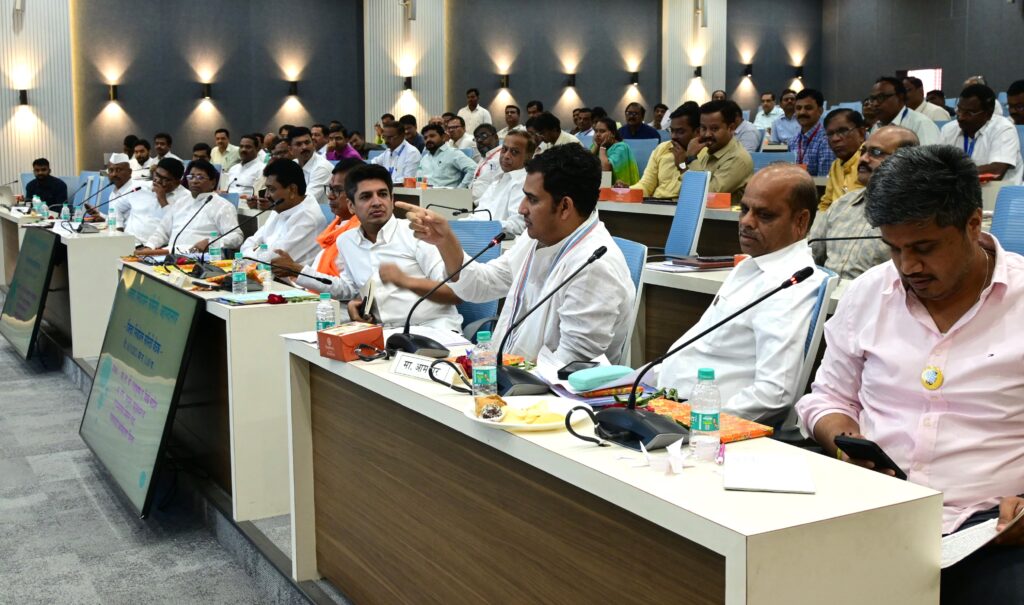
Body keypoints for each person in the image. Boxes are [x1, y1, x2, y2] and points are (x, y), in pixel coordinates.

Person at [795, 145, 1024, 605]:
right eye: (894, 248)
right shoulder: (868, 293)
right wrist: (844, 441)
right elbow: (827, 399)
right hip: (871, 503)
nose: (907, 267)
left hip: (991, 526)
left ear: (973, 225)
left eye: (924, 248)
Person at [398, 144, 636, 365]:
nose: (521, 208)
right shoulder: (537, 237)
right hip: (507, 374)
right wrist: (445, 241)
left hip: (542, 391)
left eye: (532, 199)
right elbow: (482, 285)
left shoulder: (595, 266)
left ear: (565, 207)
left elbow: (567, 368)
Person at [658, 163, 824, 426]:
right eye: (744, 209)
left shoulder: (789, 285)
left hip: (699, 423)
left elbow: (774, 394)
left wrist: (697, 422)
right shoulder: (752, 264)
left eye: (764, 215)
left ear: (800, 221)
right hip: (666, 402)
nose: (746, 222)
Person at [326, 164, 463, 331]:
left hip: (433, 328)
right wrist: (355, 304)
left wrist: (405, 281)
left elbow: (455, 293)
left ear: (391, 200)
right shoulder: (346, 241)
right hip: (383, 332)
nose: (376, 202)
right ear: (351, 206)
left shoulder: (418, 233)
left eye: (382, 194)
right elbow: (352, 287)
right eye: (366, 197)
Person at [809, 126, 918, 280]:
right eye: (863, 152)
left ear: (906, 161)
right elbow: (811, 255)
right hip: (826, 290)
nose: (863, 159)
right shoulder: (842, 204)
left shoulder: (917, 214)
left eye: (876, 153)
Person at [271, 159, 364, 291]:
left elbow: (349, 290)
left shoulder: (361, 232)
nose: (330, 196)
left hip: (336, 302)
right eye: (330, 189)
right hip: (316, 295)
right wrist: (293, 272)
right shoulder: (336, 225)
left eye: (338, 190)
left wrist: (297, 271)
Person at [136, 159, 241, 255]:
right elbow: (162, 231)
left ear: (213, 183)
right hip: (171, 257)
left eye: (200, 177)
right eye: (191, 177)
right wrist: (149, 247)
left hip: (202, 259)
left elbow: (236, 237)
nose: (194, 181)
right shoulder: (181, 202)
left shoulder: (223, 206)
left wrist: (211, 242)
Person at [240, 159, 324, 265]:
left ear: (292, 190)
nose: (266, 195)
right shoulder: (281, 207)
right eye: (266, 189)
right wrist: (258, 251)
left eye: (271, 189)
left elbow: (272, 260)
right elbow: (249, 243)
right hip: (263, 272)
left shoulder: (308, 218)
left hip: (284, 275)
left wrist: (257, 250)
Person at [939, 84, 1023, 184]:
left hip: (999, 192)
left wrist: (952, 174)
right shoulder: (948, 129)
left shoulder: (1003, 128)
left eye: (969, 113)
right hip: (960, 191)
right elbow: (937, 166)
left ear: (988, 114)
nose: (961, 117)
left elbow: (996, 171)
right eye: (959, 110)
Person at [464, 130, 535, 237]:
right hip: (480, 235)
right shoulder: (498, 180)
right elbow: (479, 215)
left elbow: (518, 225)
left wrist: (481, 226)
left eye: (514, 152)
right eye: (504, 149)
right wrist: (455, 225)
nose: (506, 156)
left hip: (500, 241)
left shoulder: (523, 183)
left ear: (528, 156)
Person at [685, 100, 754, 203]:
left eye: (714, 129)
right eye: (703, 128)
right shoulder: (707, 150)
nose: (707, 134)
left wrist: (691, 158)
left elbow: (706, 197)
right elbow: (685, 187)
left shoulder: (738, 158)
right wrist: (685, 162)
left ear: (731, 128)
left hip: (721, 213)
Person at [632, 102, 700, 199]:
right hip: (656, 203)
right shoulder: (662, 148)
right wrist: (627, 191)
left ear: (697, 132)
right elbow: (646, 185)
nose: (673, 136)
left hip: (682, 205)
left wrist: (682, 165)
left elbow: (696, 192)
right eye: (672, 131)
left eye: (680, 132)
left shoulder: (704, 154)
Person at [104, 153, 163, 243]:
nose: (114, 174)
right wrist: (102, 216)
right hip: (121, 239)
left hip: (141, 241)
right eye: (111, 170)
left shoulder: (141, 187)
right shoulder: (113, 194)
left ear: (130, 172)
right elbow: (115, 218)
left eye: (118, 170)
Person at [818, 108, 867, 211]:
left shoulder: (871, 161)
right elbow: (826, 204)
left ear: (861, 133)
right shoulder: (835, 165)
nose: (835, 139)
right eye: (830, 134)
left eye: (843, 131)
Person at [868, 76, 939, 145]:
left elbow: (928, 153)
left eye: (881, 97)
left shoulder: (921, 124)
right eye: (872, 99)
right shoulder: (876, 127)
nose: (875, 103)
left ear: (900, 97)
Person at [788, 88, 835, 177]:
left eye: (808, 108)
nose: (802, 112)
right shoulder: (793, 142)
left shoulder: (826, 141)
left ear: (820, 111)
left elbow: (824, 181)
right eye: (798, 108)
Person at [289, 126, 335, 203]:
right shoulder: (293, 164)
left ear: (313, 144)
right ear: (290, 150)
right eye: (299, 144)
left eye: (307, 142)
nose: (304, 147)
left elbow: (307, 200)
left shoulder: (322, 167)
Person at [592, 117, 639, 187]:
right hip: (599, 186)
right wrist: (596, 147)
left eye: (602, 131)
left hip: (620, 189)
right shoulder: (596, 146)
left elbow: (605, 171)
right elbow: (585, 167)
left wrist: (602, 148)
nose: (598, 134)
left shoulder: (621, 147)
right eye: (596, 131)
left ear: (613, 133)